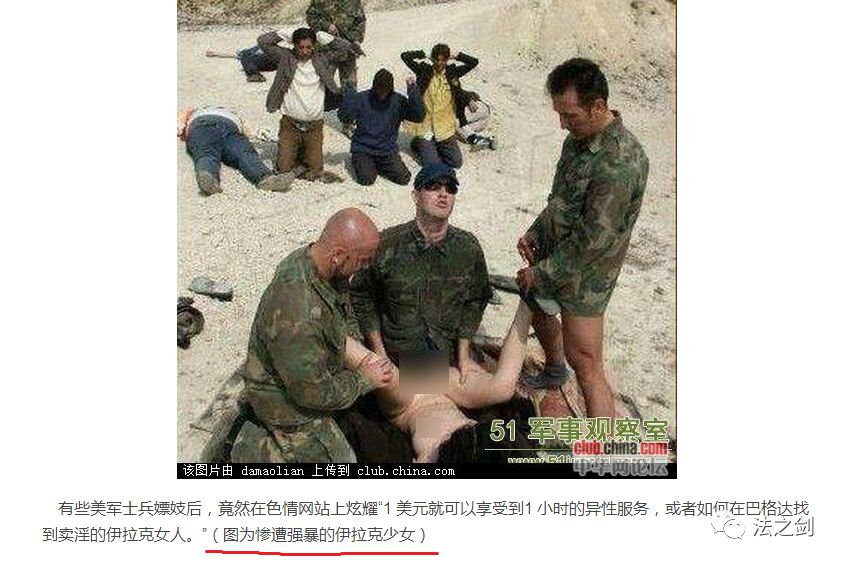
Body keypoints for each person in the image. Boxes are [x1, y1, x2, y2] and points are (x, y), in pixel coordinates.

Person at [515, 58, 650, 419]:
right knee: (536, 302)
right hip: (556, 254)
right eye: (559, 114)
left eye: (569, 115)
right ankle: (554, 369)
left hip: (586, 275)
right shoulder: (577, 141)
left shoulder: (619, 163)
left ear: (598, 107)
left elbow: (594, 241)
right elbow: (561, 200)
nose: (562, 124)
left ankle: (604, 445)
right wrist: (537, 230)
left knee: (586, 363)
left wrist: (541, 273)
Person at [231, 208, 395, 463]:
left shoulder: (313, 260)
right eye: (363, 260)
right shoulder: (298, 313)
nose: (366, 266)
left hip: (303, 366)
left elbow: (339, 305)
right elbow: (311, 394)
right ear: (338, 255)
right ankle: (255, 446)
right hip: (286, 402)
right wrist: (363, 379)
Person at [343, 299, 534, 463]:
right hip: (443, 387)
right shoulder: (493, 446)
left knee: (386, 373)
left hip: (409, 403)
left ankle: (330, 334)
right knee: (502, 388)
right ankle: (529, 300)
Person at [351, 163, 493, 373]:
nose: (443, 194)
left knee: (500, 385)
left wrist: (464, 355)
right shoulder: (387, 244)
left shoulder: (467, 247)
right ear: (416, 196)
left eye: (450, 189)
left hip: (450, 357)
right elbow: (361, 294)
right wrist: (378, 352)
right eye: (433, 187)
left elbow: (476, 299)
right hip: (397, 358)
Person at [258, 27, 358, 183]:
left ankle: (300, 153)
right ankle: (294, 152)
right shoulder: (286, 58)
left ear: (314, 46)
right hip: (290, 125)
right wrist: (288, 33)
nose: (305, 51)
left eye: (309, 47)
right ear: (294, 45)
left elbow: (345, 47)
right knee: (283, 169)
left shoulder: (322, 60)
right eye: (301, 47)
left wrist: (323, 37)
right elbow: (263, 41)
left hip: (314, 127)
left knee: (315, 171)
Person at [177, 106, 294, 195]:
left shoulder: (232, 115)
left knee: (209, 153)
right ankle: (208, 179)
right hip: (213, 126)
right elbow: (185, 112)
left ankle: (208, 175)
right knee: (242, 152)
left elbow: (249, 132)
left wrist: (259, 134)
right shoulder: (198, 111)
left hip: (213, 127)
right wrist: (180, 125)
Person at [338, 69, 425, 186]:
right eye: (379, 90)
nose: (382, 95)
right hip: (363, 149)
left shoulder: (398, 101)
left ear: (390, 88)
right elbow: (344, 117)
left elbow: (418, 117)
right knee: (367, 180)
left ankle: (375, 165)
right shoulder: (362, 98)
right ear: (374, 87)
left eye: (385, 90)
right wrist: (349, 92)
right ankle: (363, 162)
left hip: (386, 150)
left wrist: (412, 89)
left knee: (404, 179)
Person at [401, 44, 478, 168]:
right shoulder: (424, 70)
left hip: (444, 126)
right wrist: (424, 54)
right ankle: (418, 142)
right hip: (426, 126)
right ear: (433, 59)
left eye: (443, 60)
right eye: (436, 59)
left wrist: (456, 56)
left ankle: (433, 145)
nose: (439, 63)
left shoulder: (453, 72)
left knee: (456, 162)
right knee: (432, 164)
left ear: (447, 60)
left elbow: (474, 62)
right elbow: (405, 57)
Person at [306, 0, 367, 136]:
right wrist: (327, 26)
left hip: (348, 51)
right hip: (327, 51)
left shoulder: (354, 2)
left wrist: (356, 39)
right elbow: (310, 17)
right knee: (320, 86)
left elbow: (360, 21)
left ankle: (348, 123)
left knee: (350, 87)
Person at [452, 78, 497, 150]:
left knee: (484, 113)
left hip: (468, 109)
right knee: (455, 126)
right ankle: (478, 140)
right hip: (453, 117)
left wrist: (469, 99)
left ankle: (474, 139)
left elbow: (458, 90)